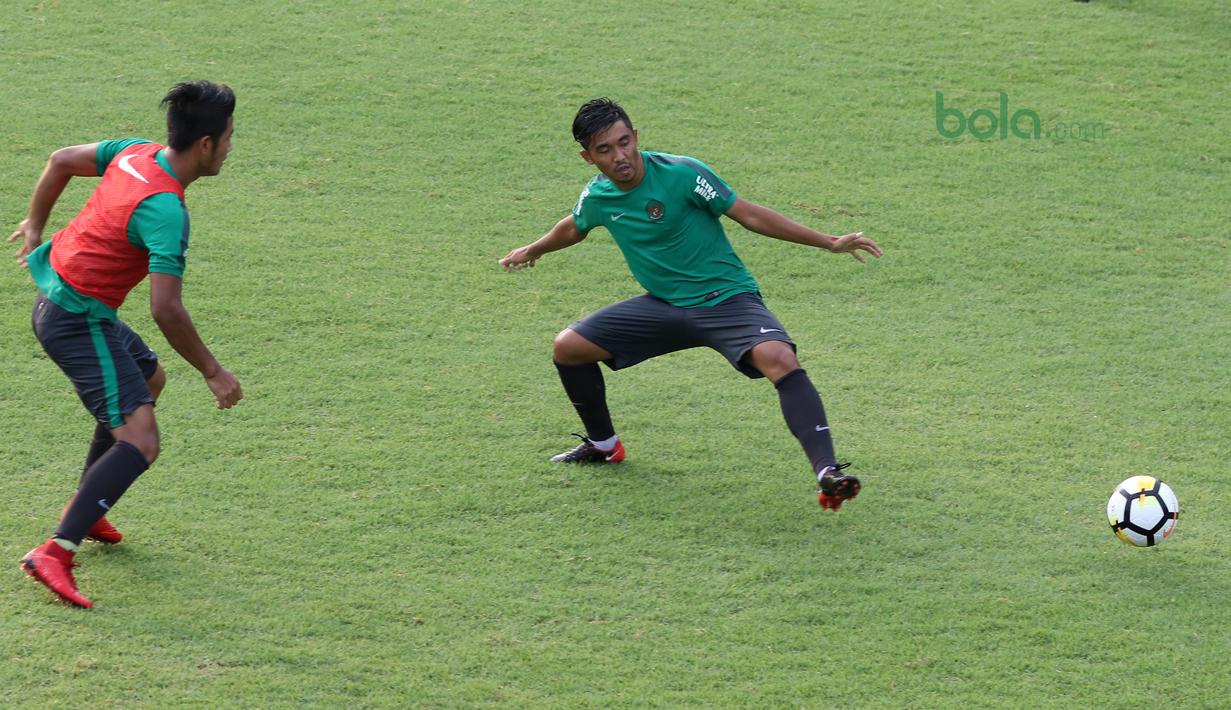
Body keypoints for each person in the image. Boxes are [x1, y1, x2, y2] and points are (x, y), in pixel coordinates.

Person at [500, 98, 881, 511]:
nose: (620, 156)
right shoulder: (599, 196)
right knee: (568, 348)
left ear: (636, 137)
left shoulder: (683, 174)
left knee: (779, 358)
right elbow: (574, 227)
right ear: (587, 156)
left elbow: (749, 215)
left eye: (624, 142)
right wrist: (533, 249)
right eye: (604, 150)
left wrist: (829, 242)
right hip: (664, 307)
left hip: (727, 300)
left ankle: (828, 472)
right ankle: (603, 445)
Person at [8, 80, 243, 608]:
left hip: (70, 300)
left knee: (149, 377)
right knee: (141, 440)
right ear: (205, 144)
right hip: (75, 320)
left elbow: (61, 159)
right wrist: (213, 370)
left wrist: (34, 225)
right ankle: (55, 551)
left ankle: (89, 508)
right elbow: (166, 308)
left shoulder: (136, 153)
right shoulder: (165, 210)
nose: (232, 146)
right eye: (228, 136)